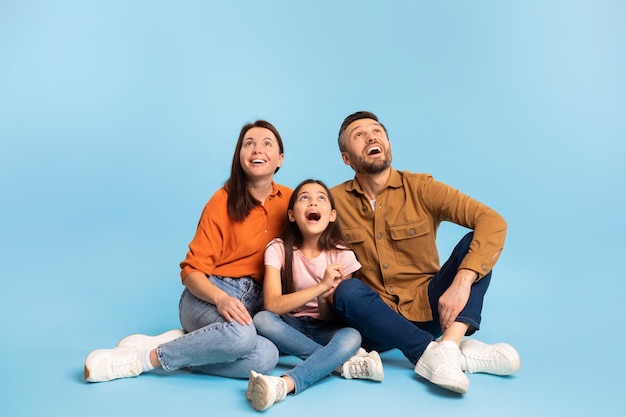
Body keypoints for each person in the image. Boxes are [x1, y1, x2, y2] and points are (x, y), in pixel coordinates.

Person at [84, 120, 292, 383]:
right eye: (248, 144)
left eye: (266, 144)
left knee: (266, 358)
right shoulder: (222, 201)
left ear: (280, 159)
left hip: (255, 304)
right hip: (209, 295)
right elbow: (191, 272)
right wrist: (220, 299)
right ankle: (143, 360)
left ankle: (186, 349)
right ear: (239, 156)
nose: (256, 150)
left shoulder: (291, 201)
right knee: (242, 337)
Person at [329, 111, 520, 395]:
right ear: (347, 158)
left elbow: (492, 221)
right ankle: (445, 353)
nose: (371, 137)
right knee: (346, 292)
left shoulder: (421, 187)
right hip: (375, 324)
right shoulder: (331, 201)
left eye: (377, 131)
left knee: (475, 245)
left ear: (388, 144)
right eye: (359, 135)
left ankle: (449, 347)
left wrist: (461, 282)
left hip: (430, 309)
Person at [247, 179, 383, 411]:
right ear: (292, 215)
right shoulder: (278, 248)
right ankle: (340, 365)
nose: (313, 202)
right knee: (261, 320)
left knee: (352, 336)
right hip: (291, 325)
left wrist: (323, 298)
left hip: (325, 328)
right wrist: (320, 287)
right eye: (304, 198)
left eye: (321, 198)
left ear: (331, 215)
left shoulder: (344, 256)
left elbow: (334, 318)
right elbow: (272, 304)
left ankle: (284, 384)